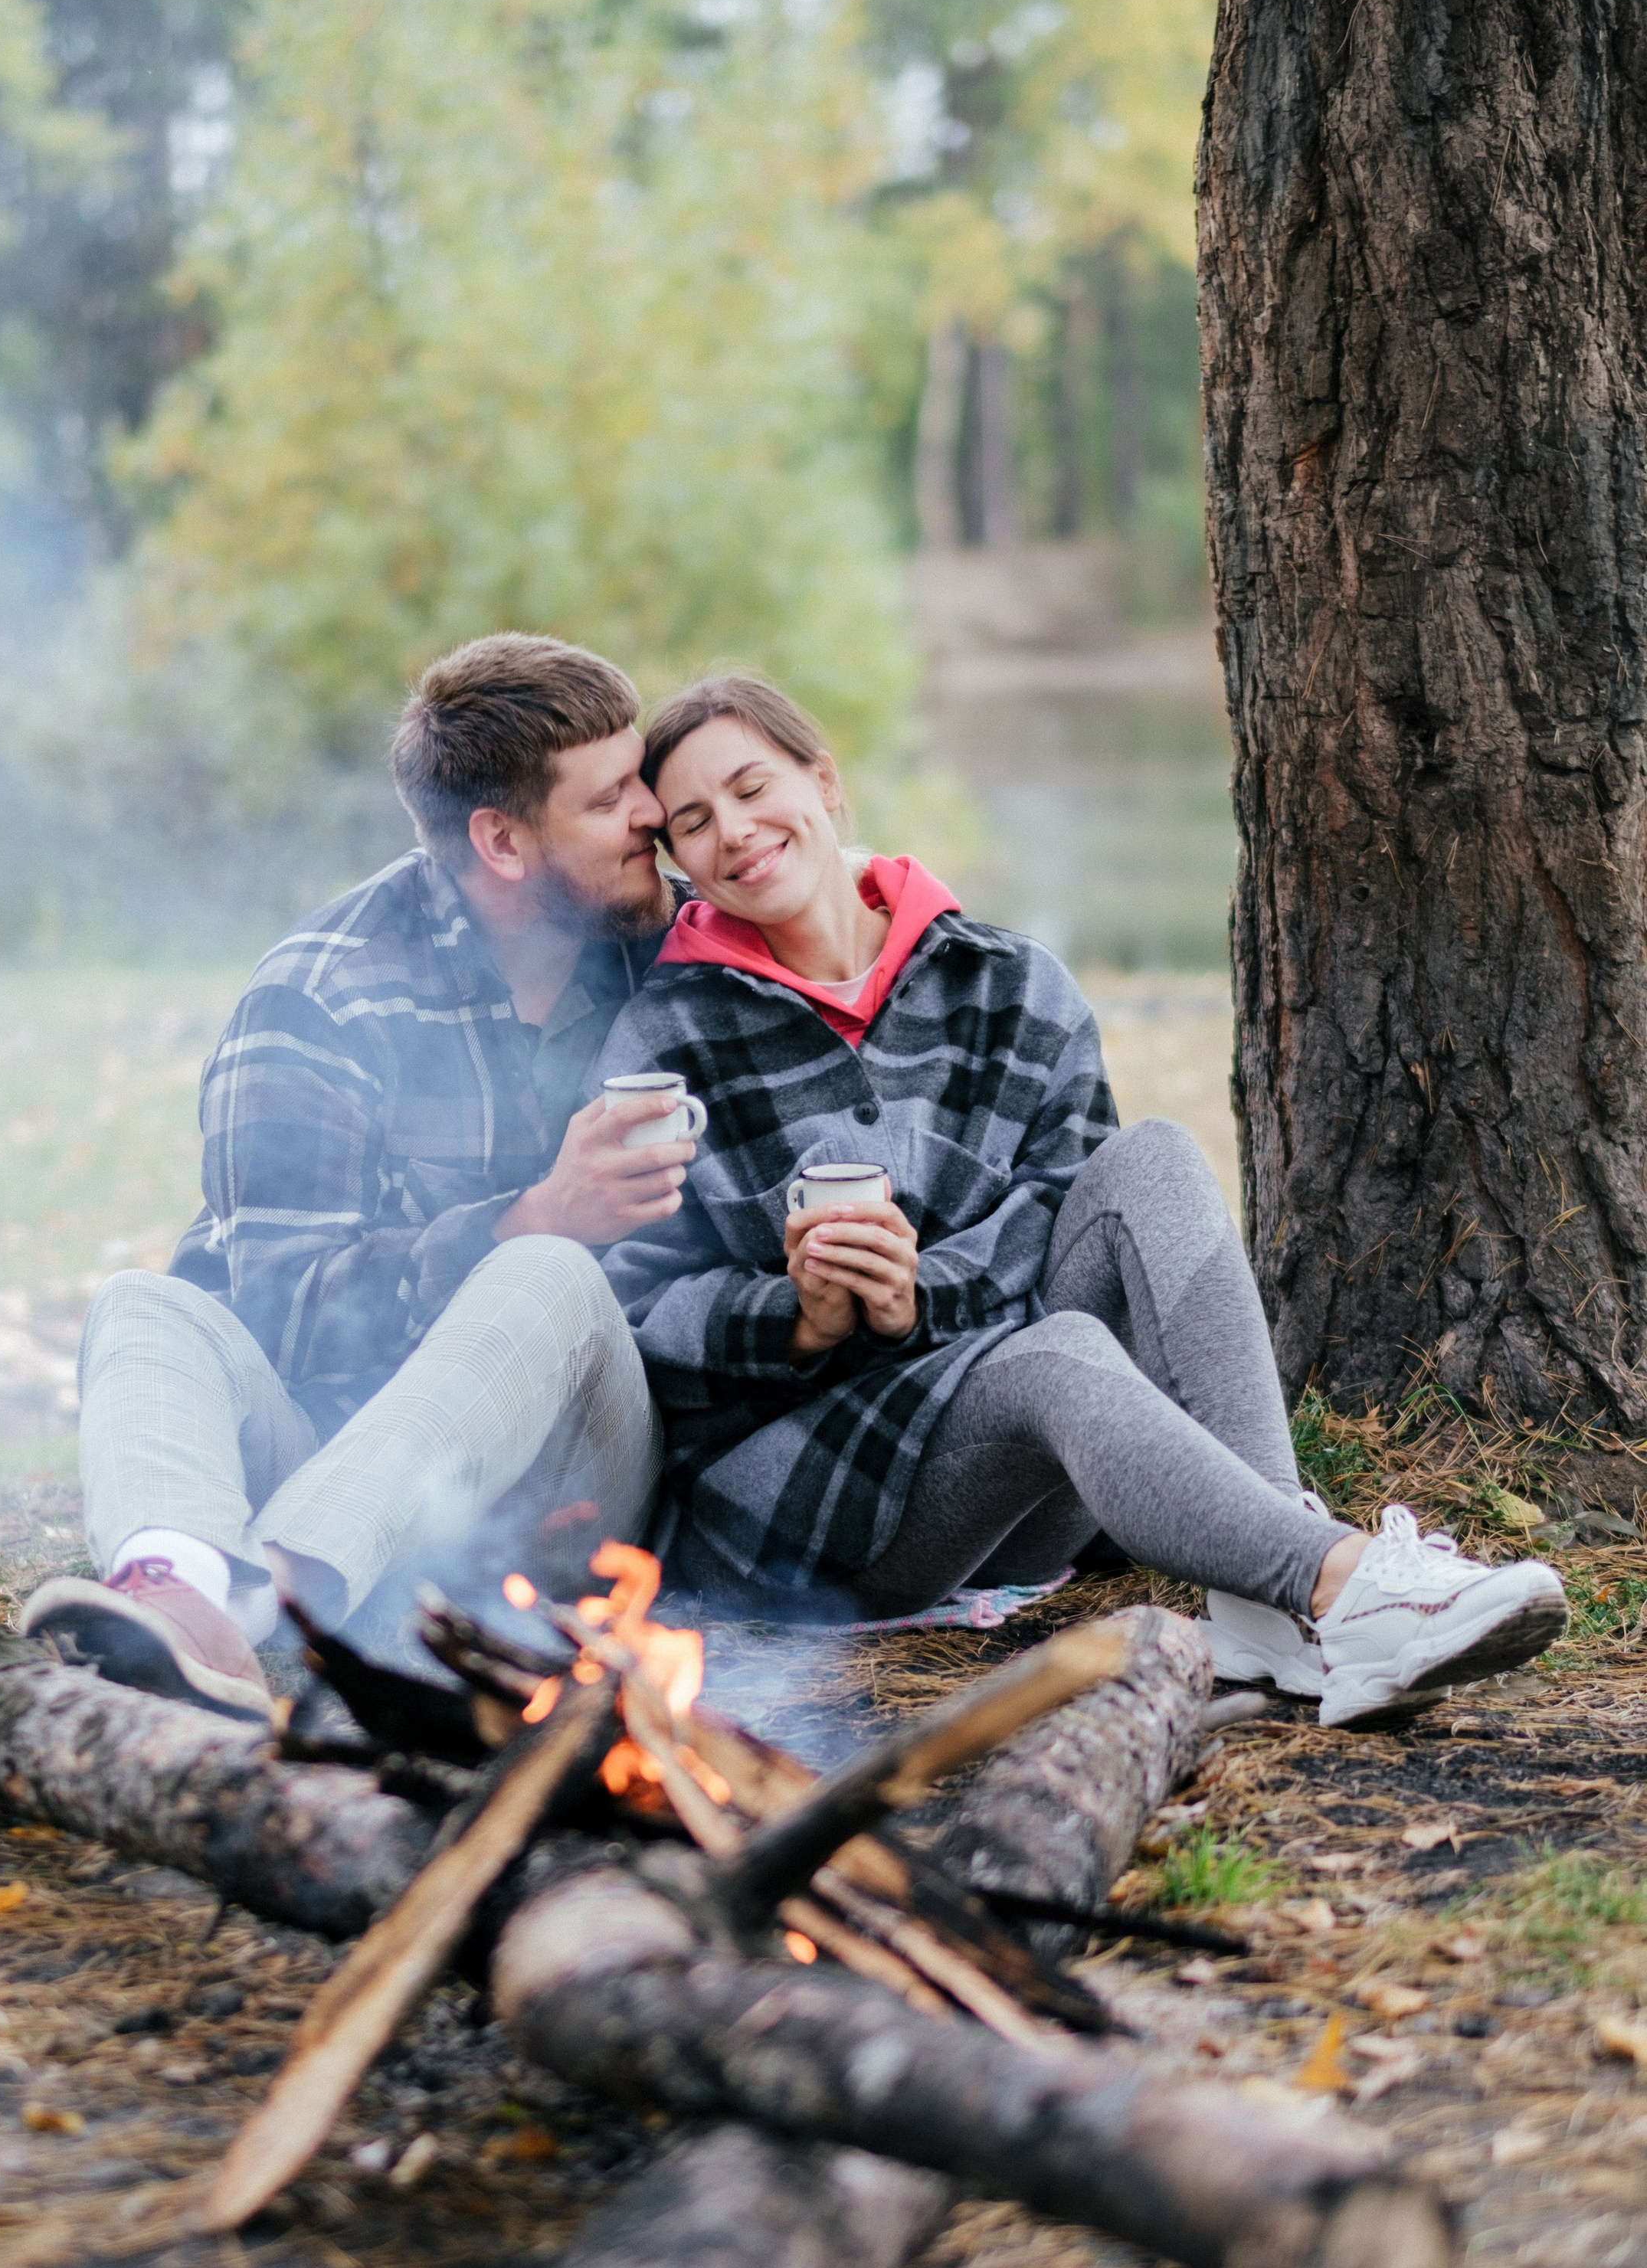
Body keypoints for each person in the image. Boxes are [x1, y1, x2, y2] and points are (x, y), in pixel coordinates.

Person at [594, 673, 1567, 1729]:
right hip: (815, 1505)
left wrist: (921, 1297)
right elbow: (636, 1303)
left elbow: (1061, 1204)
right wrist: (799, 1317)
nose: (733, 832)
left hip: (1016, 1479)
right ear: (677, 858)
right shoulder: (667, 1036)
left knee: (1150, 1157)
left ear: (824, 782)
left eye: (751, 787)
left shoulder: (1010, 983)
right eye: (693, 821)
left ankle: (1270, 1595)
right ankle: (1342, 1583)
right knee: (1055, 1353)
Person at [21, 633, 694, 1719]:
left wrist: (540, 1234)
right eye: (613, 797)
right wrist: (531, 1213)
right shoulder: (324, 994)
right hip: (353, 1472)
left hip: (574, 1487)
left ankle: (265, 1598)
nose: (653, 815)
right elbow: (281, 1308)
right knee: (147, 1307)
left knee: (548, 1277)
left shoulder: (672, 947)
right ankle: (182, 1590)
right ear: (504, 843)